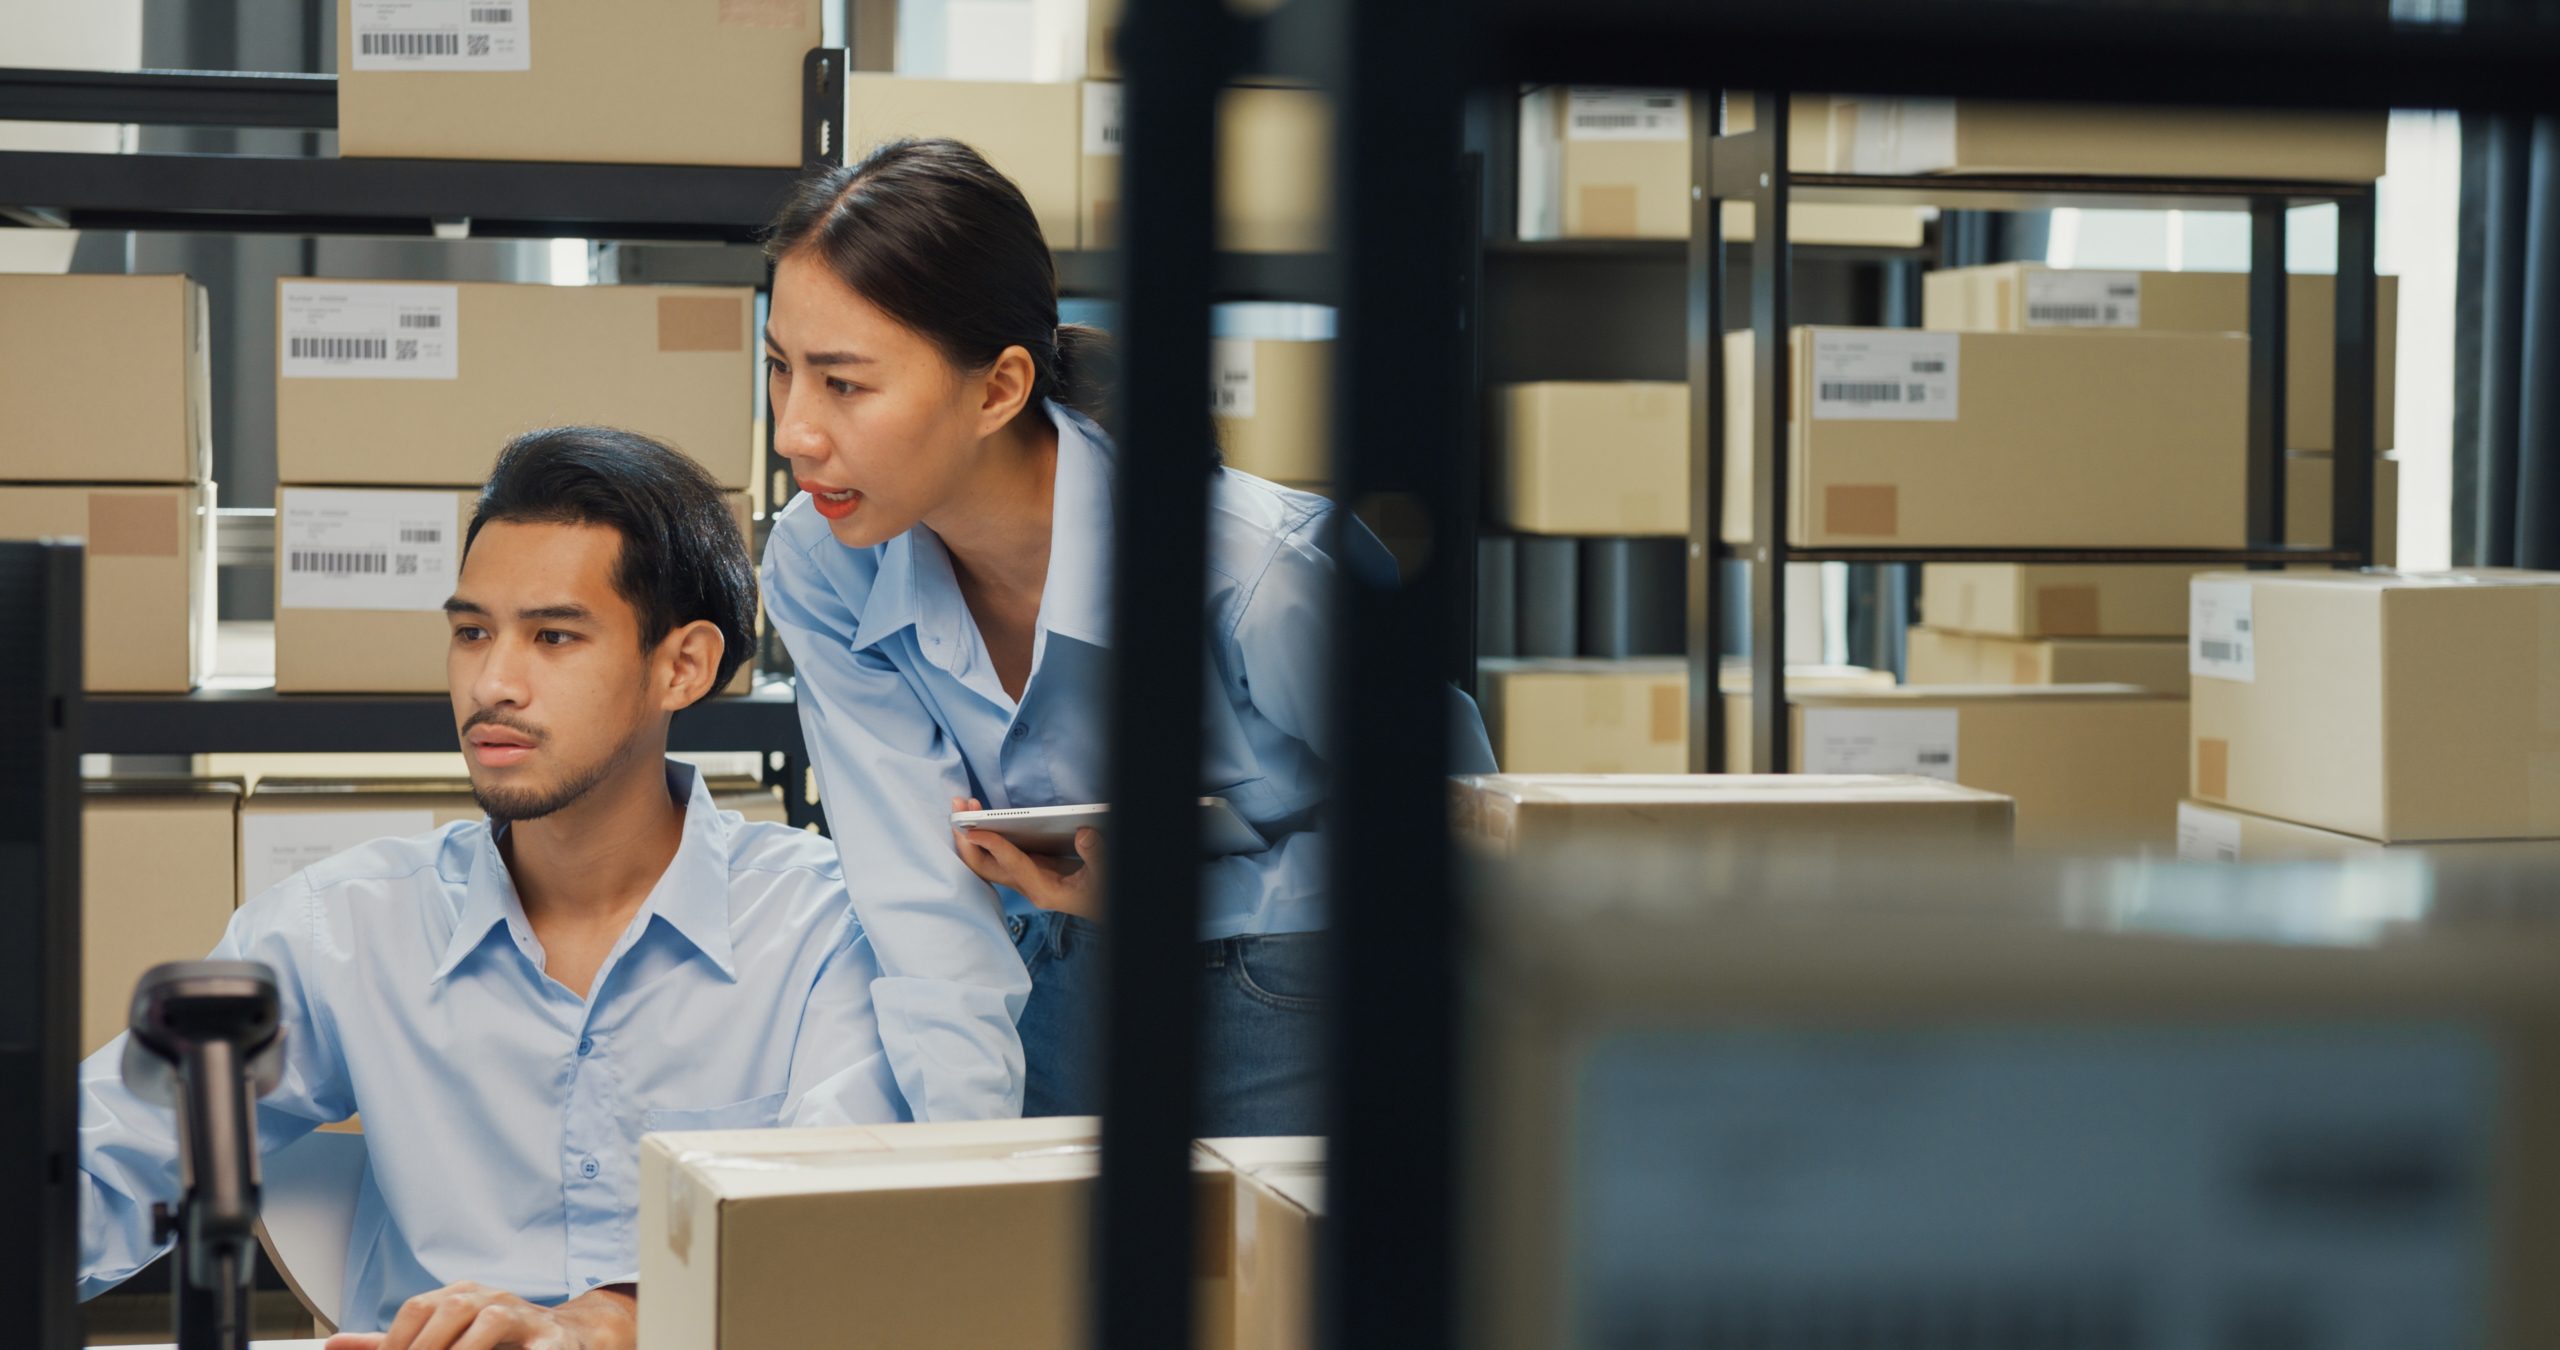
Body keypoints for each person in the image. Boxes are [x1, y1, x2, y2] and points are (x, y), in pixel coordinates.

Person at [76, 427, 905, 1347]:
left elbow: (844, 1226)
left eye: (554, 636)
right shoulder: (343, 928)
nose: (492, 683)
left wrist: (611, 1321)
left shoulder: (826, 927)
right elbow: (95, 1163)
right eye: (472, 632)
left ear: (684, 666)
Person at [759, 137, 1495, 1136]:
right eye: (780, 369)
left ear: (998, 389)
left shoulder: (1254, 571)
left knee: (1259, 1287)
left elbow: (1464, 822)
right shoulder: (821, 559)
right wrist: (964, 1158)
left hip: (1291, 975)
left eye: (843, 383)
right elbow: (913, 888)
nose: (794, 432)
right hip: (1055, 970)